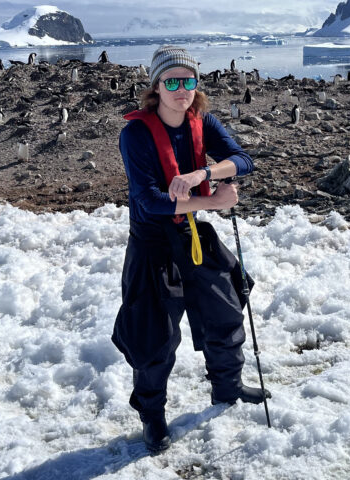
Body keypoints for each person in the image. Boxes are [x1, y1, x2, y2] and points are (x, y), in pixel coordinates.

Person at [112, 45, 270, 454]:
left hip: (192, 237)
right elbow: (149, 201)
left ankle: (228, 388)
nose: (181, 89)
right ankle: (153, 418)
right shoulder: (135, 135)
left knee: (226, 308)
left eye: (188, 80)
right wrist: (213, 202)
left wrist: (205, 172)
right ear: (156, 87)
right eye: (172, 81)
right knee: (153, 339)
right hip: (152, 247)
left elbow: (243, 160)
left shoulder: (205, 122)